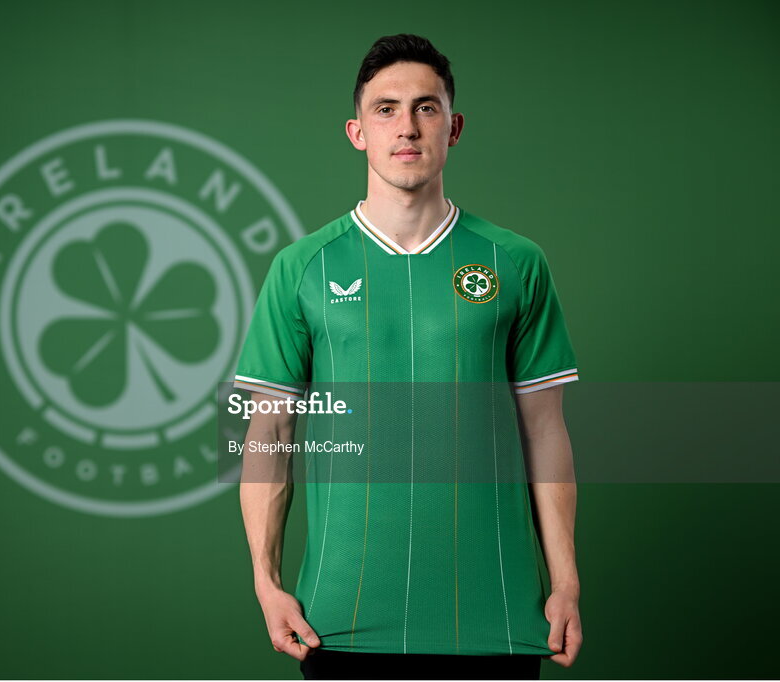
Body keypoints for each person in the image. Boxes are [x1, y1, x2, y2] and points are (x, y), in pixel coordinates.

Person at [235, 34, 582, 680]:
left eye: (426, 107)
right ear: (357, 132)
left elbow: (545, 429)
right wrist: (266, 582)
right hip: (337, 621)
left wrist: (565, 582)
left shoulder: (516, 261)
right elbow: (269, 432)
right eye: (386, 109)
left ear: (454, 127)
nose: (407, 127)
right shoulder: (301, 267)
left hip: (500, 622)